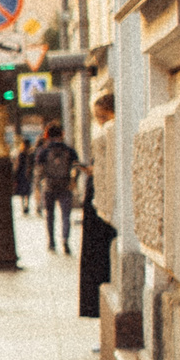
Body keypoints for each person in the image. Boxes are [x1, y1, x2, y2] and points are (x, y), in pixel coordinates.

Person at [80, 91, 118, 320]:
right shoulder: (106, 133)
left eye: (102, 116)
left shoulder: (113, 132)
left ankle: (101, 313)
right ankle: (97, 312)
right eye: (97, 117)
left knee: (101, 264)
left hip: (104, 214)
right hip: (97, 208)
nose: (99, 121)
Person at [36, 120, 80, 254]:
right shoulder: (69, 150)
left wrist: (39, 186)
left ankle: (51, 242)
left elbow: (39, 169)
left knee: (50, 215)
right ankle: (65, 240)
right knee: (66, 215)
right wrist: (73, 181)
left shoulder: (43, 151)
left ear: (47, 136)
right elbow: (76, 166)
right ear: (62, 134)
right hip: (65, 185)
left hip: (49, 185)